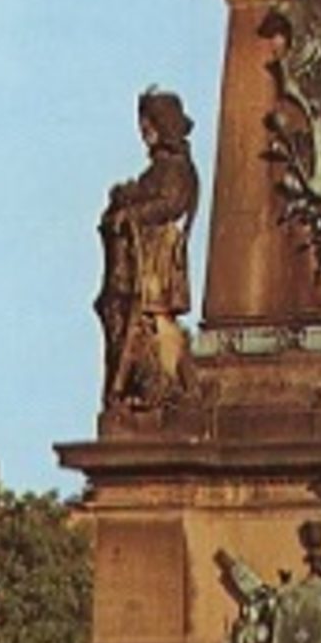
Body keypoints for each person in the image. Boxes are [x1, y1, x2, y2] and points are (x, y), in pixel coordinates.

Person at [96, 89, 200, 409]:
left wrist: (132, 213)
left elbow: (171, 202)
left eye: (149, 124)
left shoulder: (175, 167)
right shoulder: (161, 167)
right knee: (137, 319)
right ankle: (148, 386)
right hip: (141, 260)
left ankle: (163, 386)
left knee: (153, 321)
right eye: (143, 125)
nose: (144, 131)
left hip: (156, 261)